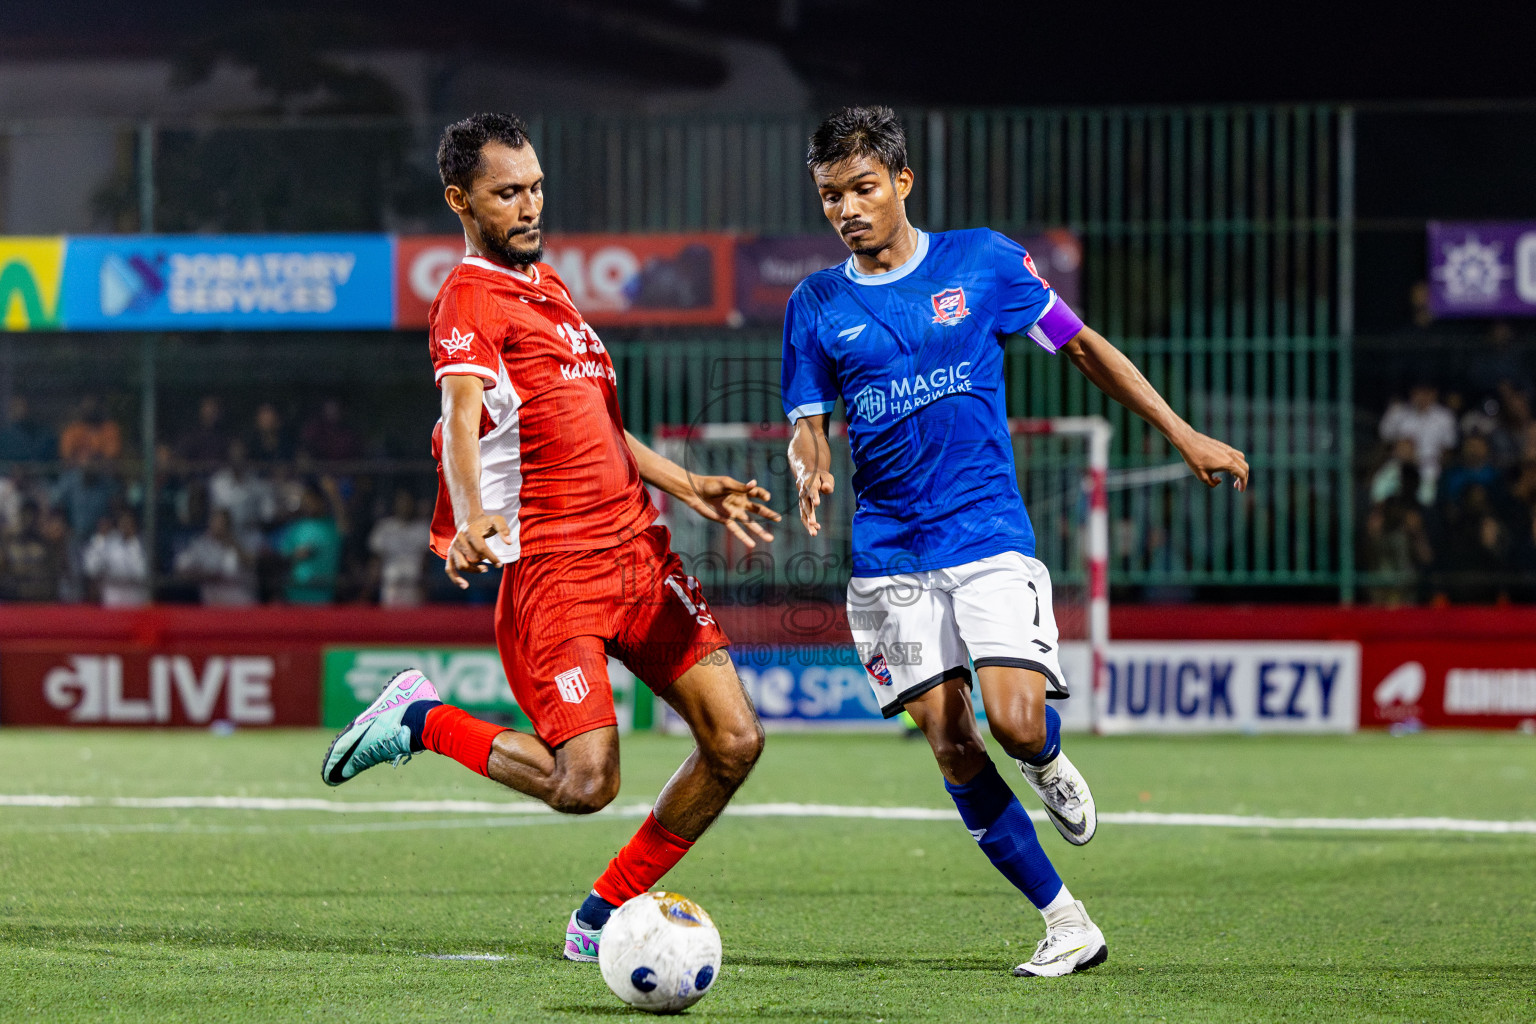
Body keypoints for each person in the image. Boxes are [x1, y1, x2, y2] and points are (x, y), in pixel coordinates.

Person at [781, 107, 1249, 978]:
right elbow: (807, 420)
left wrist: (1182, 432)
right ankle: (1066, 922)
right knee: (952, 740)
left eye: (863, 188)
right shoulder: (813, 305)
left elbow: (1081, 348)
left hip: (987, 532)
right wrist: (809, 467)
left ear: (902, 183)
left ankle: (1047, 758)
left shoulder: (985, 263)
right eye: (830, 195)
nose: (846, 208)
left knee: (1013, 721)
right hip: (888, 557)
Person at [321, 112, 778, 961]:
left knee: (736, 741)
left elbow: (601, 427)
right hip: (556, 571)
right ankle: (422, 719)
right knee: (585, 783)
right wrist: (464, 517)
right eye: (507, 193)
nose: (530, 206)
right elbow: (460, 415)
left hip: (641, 554)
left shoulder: (554, 290)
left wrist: (690, 485)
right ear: (461, 201)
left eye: (535, 187)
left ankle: (603, 915)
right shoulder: (467, 297)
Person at [174, 508, 257, 606]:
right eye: (217, 522)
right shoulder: (201, 545)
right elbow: (181, 568)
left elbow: (252, 563)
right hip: (213, 601)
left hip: (240, 601)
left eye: (223, 523)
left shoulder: (240, 542)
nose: (220, 526)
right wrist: (206, 575)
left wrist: (234, 545)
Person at [367, 489, 430, 607]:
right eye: (401, 502)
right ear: (395, 503)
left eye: (408, 502)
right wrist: (368, 590)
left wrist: (425, 588)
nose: (404, 505)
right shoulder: (384, 527)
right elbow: (375, 562)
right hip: (390, 583)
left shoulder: (422, 529)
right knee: (390, 621)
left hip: (413, 584)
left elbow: (426, 563)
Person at [82, 509, 149, 607]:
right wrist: (100, 541)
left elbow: (142, 573)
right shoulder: (109, 542)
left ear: (134, 525)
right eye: (123, 523)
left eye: (129, 523)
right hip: (113, 596)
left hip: (135, 596)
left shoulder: (142, 544)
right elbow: (91, 569)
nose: (125, 526)